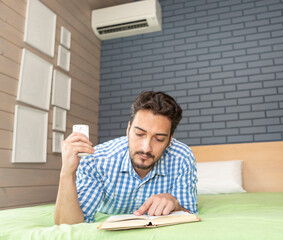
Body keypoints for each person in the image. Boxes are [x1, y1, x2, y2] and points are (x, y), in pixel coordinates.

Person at [54, 91, 198, 224]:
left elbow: (190, 214)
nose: (146, 148)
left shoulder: (182, 158)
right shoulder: (97, 159)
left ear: (170, 140)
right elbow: (69, 225)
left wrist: (175, 204)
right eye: (139, 134)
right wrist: (67, 172)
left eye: (159, 139)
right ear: (128, 129)